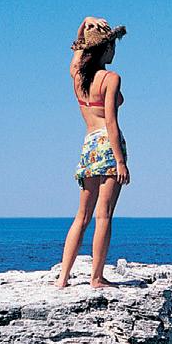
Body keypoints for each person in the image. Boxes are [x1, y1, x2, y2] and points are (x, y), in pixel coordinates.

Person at [55, 17, 130, 289]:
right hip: (108, 145)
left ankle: (63, 278)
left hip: (88, 145)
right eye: (112, 46)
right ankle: (96, 278)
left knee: (82, 216)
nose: (114, 51)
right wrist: (120, 161)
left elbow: (77, 46)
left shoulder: (78, 74)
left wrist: (85, 21)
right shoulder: (110, 78)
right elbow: (111, 121)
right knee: (104, 215)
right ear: (106, 49)